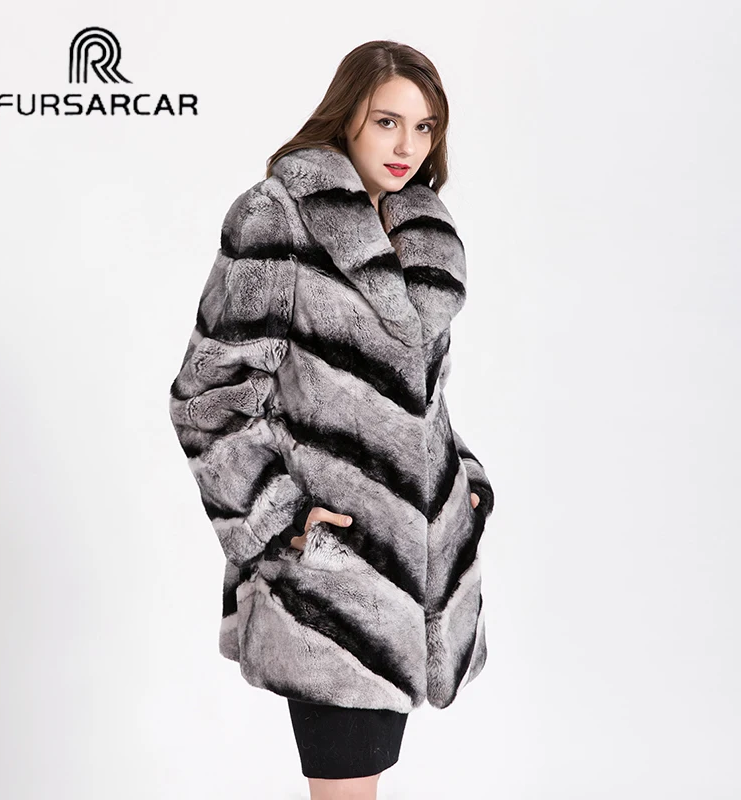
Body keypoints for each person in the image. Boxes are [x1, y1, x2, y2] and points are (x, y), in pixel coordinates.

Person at [168, 40, 495, 799]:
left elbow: (421, 401)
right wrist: (283, 517)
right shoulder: (277, 217)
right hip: (331, 578)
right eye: (387, 121)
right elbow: (206, 397)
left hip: (418, 575)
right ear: (347, 116)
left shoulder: (420, 236)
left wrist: (464, 482)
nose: (407, 145)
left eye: (424, 127)